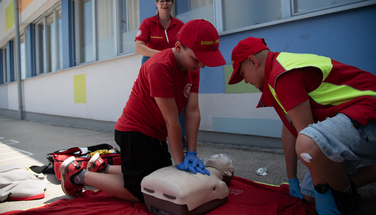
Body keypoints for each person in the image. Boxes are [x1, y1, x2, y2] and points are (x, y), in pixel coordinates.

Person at [60, 19, 226, 203]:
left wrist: (192, 153)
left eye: (204, 61)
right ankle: (77, 174)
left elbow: (192, 111)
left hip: (156, 134)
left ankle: (102, 167)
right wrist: (180, 162)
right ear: (178, 47)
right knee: (144, 191)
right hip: (134, 131)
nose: (201, 66)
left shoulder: (192, 66)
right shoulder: (160, 66)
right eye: (197, 59)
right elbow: (172, 120)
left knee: (160, 176)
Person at [228, 37, 376, 215]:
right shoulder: (275, 73)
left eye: (243, 74)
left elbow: (310, 141)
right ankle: (341, 188)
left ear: (253, 61)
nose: (245, 81)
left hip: (369, 113)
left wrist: (322, 190)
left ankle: (346, 193)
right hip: (349, 120)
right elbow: (289, 129)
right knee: (309, 195)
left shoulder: (283, 75)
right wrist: (292, 180)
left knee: (309, 148)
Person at [135, 0, 188, 150]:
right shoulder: (148, 23)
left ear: (172, 3)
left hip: (175, 67)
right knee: (154, 104)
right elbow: (139, 46)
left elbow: (186, 47)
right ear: (156, 3)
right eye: (161, 0)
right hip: (153, 67)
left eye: (168, 0)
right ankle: (156, 138)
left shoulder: (180, 25)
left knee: (179, 102)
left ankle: (181, 139)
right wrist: (163, 55)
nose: (165, 3)